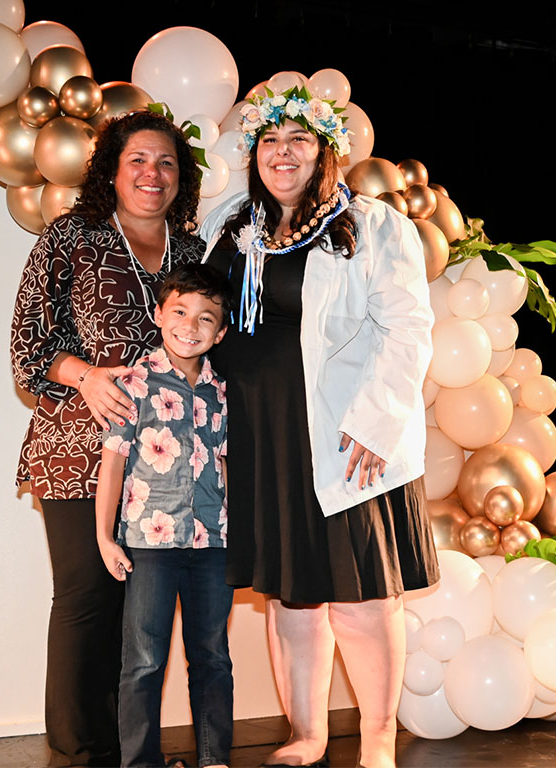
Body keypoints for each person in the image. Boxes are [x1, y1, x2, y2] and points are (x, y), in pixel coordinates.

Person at [198, 87, 440, 768]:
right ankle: (306, 734)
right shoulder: (231, 223)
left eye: (298, 140)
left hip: (344, 438)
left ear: (323, 150)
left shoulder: (369, 225)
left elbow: (408, 328)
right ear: (255, 153)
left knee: (361, 601)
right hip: (259, 440)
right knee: (293, 600)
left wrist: (376, 421)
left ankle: (377, 741)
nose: (282, 153)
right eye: (270, 141)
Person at [10, 109, 203, 767]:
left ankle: (131, 751)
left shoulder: (194, 254)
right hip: (78, 449)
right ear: (113, 172)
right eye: (139, 161)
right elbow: (29, 345)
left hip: (167, 467)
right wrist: (86, 376)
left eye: (168, 162)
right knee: (90, 596)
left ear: (183, 178)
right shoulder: (71, 237)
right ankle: (79, 752)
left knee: (142, 614)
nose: (153, 174)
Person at [95, 263, 234, 768]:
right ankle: (141, 762)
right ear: (159, 314)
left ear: (219, 333)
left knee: (212, 657)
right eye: (179, 311)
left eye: (205, 318)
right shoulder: (133, 383)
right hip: (148, 546)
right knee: (144, 660)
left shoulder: (223, 394)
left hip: (212, 545)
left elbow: (229, 466)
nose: (189, 325)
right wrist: (105, 538)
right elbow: (112, 463)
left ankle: (214, 758)